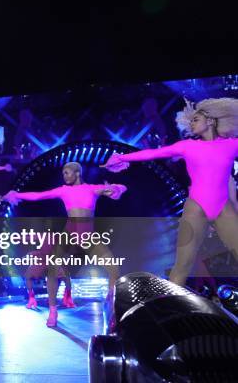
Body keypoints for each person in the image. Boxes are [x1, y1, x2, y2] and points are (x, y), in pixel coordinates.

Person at [102, 97, 238, 285]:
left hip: (224, 208)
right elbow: (152, 154)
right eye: (190, 121)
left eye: (195, 119)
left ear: (211, 121)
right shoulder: (187, 146)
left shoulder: (231, 145)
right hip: (196, 208)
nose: (191, 124)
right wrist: (122, 157)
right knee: (182, 266)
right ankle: (172, 309)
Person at [4, 162, 126, 326]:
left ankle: (110, 308)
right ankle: (53, 311)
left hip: (88, 236)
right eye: (63, 173)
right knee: (53, 270)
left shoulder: (92, 188)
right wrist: (17, 195)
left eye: (67, 172)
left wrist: (116, 189)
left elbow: (123, 188)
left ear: (77, 173)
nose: (64, 175)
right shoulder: (63, 190)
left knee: (114, 270)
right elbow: (38, 196)